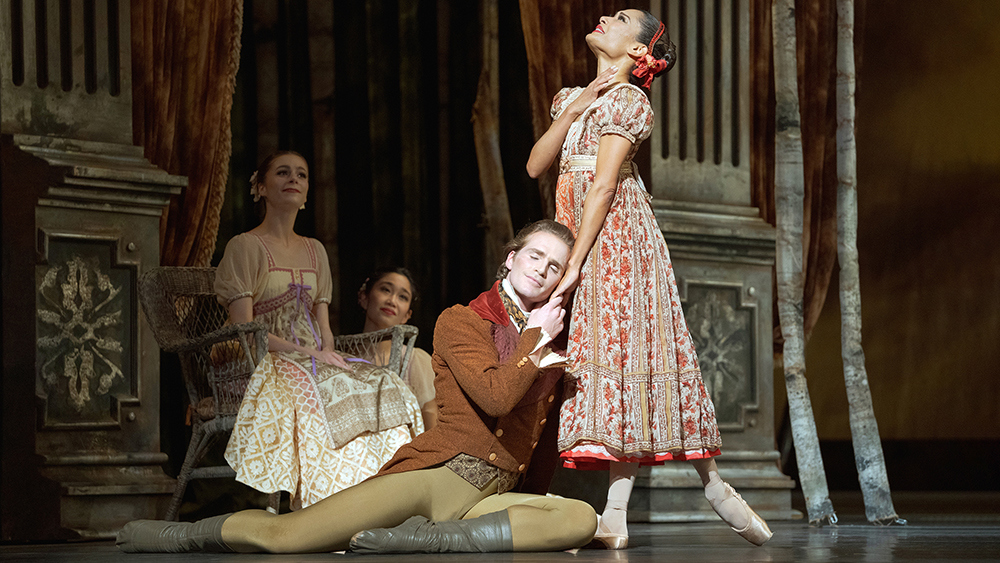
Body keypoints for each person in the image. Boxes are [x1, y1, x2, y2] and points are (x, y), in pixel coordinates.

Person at [117, 219, 597, 554]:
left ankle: (430, 540)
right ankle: (171, 536)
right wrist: (535, 343)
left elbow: (541, 437)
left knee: (579, 518)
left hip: (491, 498)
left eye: (555, 266)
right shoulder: (464, 320)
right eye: (536, 255)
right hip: (439, 477)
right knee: (287, 539)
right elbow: (496, 396)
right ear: (511, 259)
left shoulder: (545, 339)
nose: (542, 268)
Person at [526, 9, 772, 549]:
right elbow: (535, 165)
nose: (603, 17)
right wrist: (573, 110)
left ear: (640, 52)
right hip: (580, 242)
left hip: (618, 243)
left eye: (619, 19)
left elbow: (605, 186)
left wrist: (575, 261)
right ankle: (615, 514)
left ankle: (711, 484)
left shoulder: (631, 101)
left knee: (641, 358)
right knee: (607, 368)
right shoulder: (576, 96)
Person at [214, 151, 424, 509]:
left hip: (312, 359)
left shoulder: (314, 251)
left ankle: (385, 501)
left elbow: (324, 327)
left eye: (302, 174)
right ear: (261, 187)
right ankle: (324, 507)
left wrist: (327, 353)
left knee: (383, 384)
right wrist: (309, 355)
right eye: (283, 173)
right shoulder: (245, 246)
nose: (294, 179)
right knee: (320, 389)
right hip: (259, 361)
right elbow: (245, 329)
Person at [357, 267, 438, 430]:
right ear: (364, 297)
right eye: (385, 290)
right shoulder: (342, 356)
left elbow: (432, 423)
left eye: (402, 297)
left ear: (407, 316)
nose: (392, 301)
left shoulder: (414, 360)